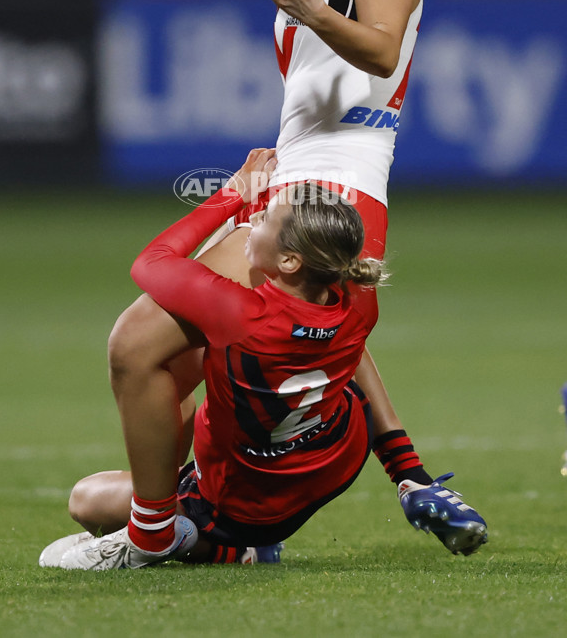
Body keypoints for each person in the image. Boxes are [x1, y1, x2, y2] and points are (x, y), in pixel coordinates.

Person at [43, 0, 487, 564]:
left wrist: (315, 13)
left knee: (136, 344)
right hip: (307, 187)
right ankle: (224, 524)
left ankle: (153, 538)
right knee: (174, 370)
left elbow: (382, 49)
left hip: (331, 190)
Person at [39, 150, 487, 569]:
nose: (252, 219)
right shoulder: (358, 301)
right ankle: (408, 477)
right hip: (332, 461)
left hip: (242, 500)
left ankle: (209, 544)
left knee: (87, 500)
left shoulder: (237, 311)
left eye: (266, 218)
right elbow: (354, 363)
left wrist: (233, 192)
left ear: (291, 260)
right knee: (334, 371)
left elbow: (151, 262)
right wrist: (406, 468)